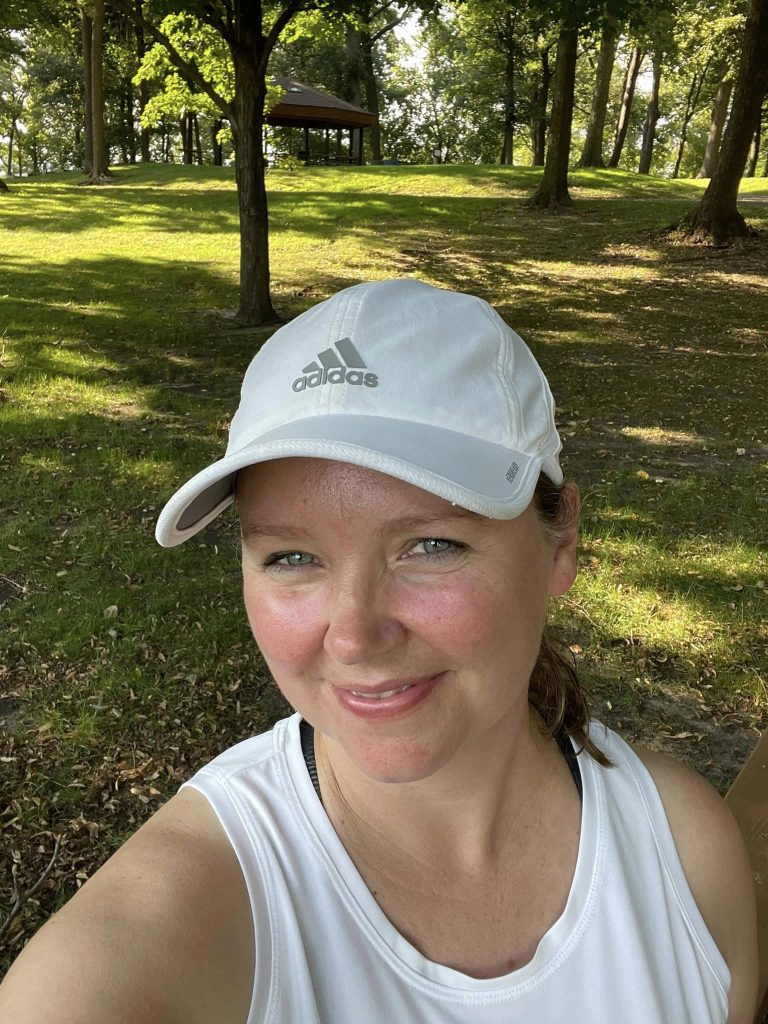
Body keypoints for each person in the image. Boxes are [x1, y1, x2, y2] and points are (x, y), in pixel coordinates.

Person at [0, 279, 757, 1023]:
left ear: (561, 541)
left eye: (430, 545)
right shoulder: (183, 915)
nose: (355, 635)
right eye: (291, 558)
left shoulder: (686, 855)